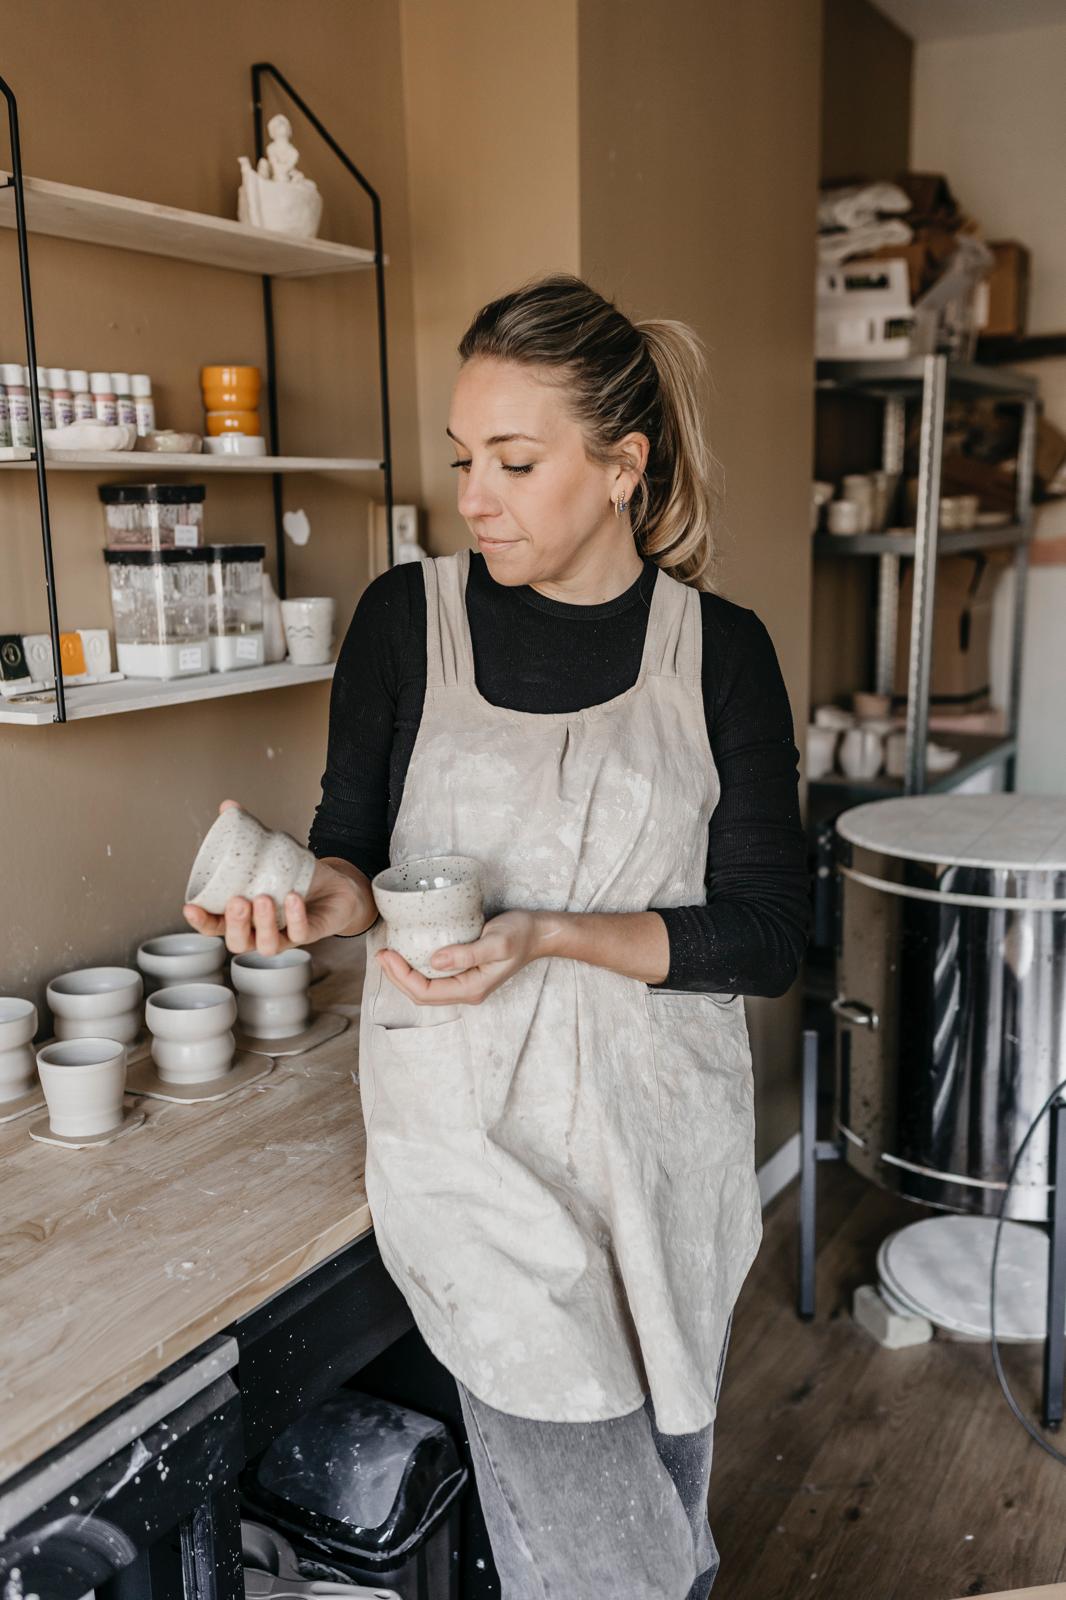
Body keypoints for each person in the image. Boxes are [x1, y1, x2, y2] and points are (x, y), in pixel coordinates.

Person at [184, 274, 809, 1599]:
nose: (473, 496)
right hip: (468, 1142)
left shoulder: (723, 654)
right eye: (467, 459)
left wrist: (546, 935)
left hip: (656, 1144)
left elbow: (764, 937)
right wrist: (310, 901)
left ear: (622, 465)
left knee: (661, 1503)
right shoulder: (409, 623)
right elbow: (351, 851)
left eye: (514, 463)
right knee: (594, 1557)